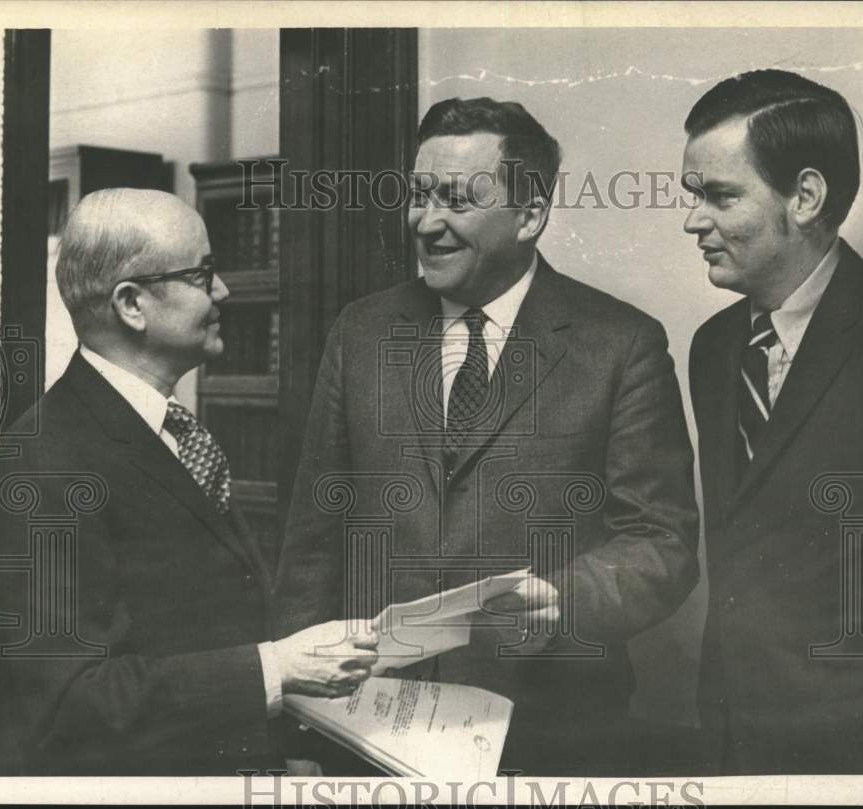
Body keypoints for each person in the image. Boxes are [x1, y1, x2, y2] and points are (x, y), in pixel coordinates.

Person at [277, 97, 699, 776]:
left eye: (455, 200)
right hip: (364, 735)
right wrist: (295, 725)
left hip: (547, 740)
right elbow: (310, 545)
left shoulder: (621, 345)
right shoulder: (360, 332)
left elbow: (664, 544)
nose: (426, 222)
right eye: (418, 195)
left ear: (530, 214)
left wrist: (564, 598)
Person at [0, 188, 378, 775]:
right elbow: (69, 707)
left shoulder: (174, 430)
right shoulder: (44, 462)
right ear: (132, 304)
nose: (223, 291)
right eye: (203, 273)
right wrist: (277, 669)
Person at [682, 69, 863, 774]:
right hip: (731, 745)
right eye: (693, 195)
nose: (692, 220)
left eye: (720, 196)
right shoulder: (712, 348)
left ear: (806, 197)